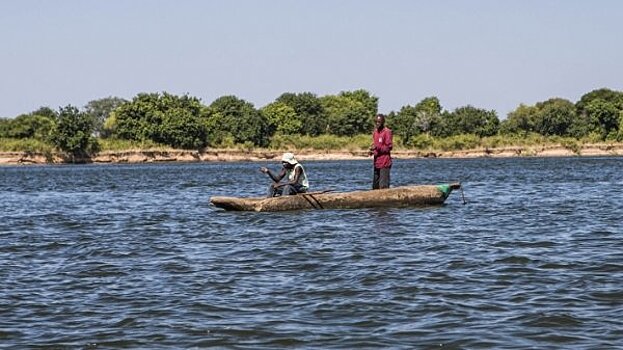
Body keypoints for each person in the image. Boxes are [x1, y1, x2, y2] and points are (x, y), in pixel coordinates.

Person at [368, 113, 393, 189]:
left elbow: (389, 148)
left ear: (383, 122)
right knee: (375, 187)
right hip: (376, 163)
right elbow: (376, 146)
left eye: (379, 122)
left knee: (383, 187)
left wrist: (377, 147)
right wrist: (372, 151)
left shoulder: (387, 132)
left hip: (384, 163)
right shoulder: (375, 132)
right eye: (376, 122)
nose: (377, 124)